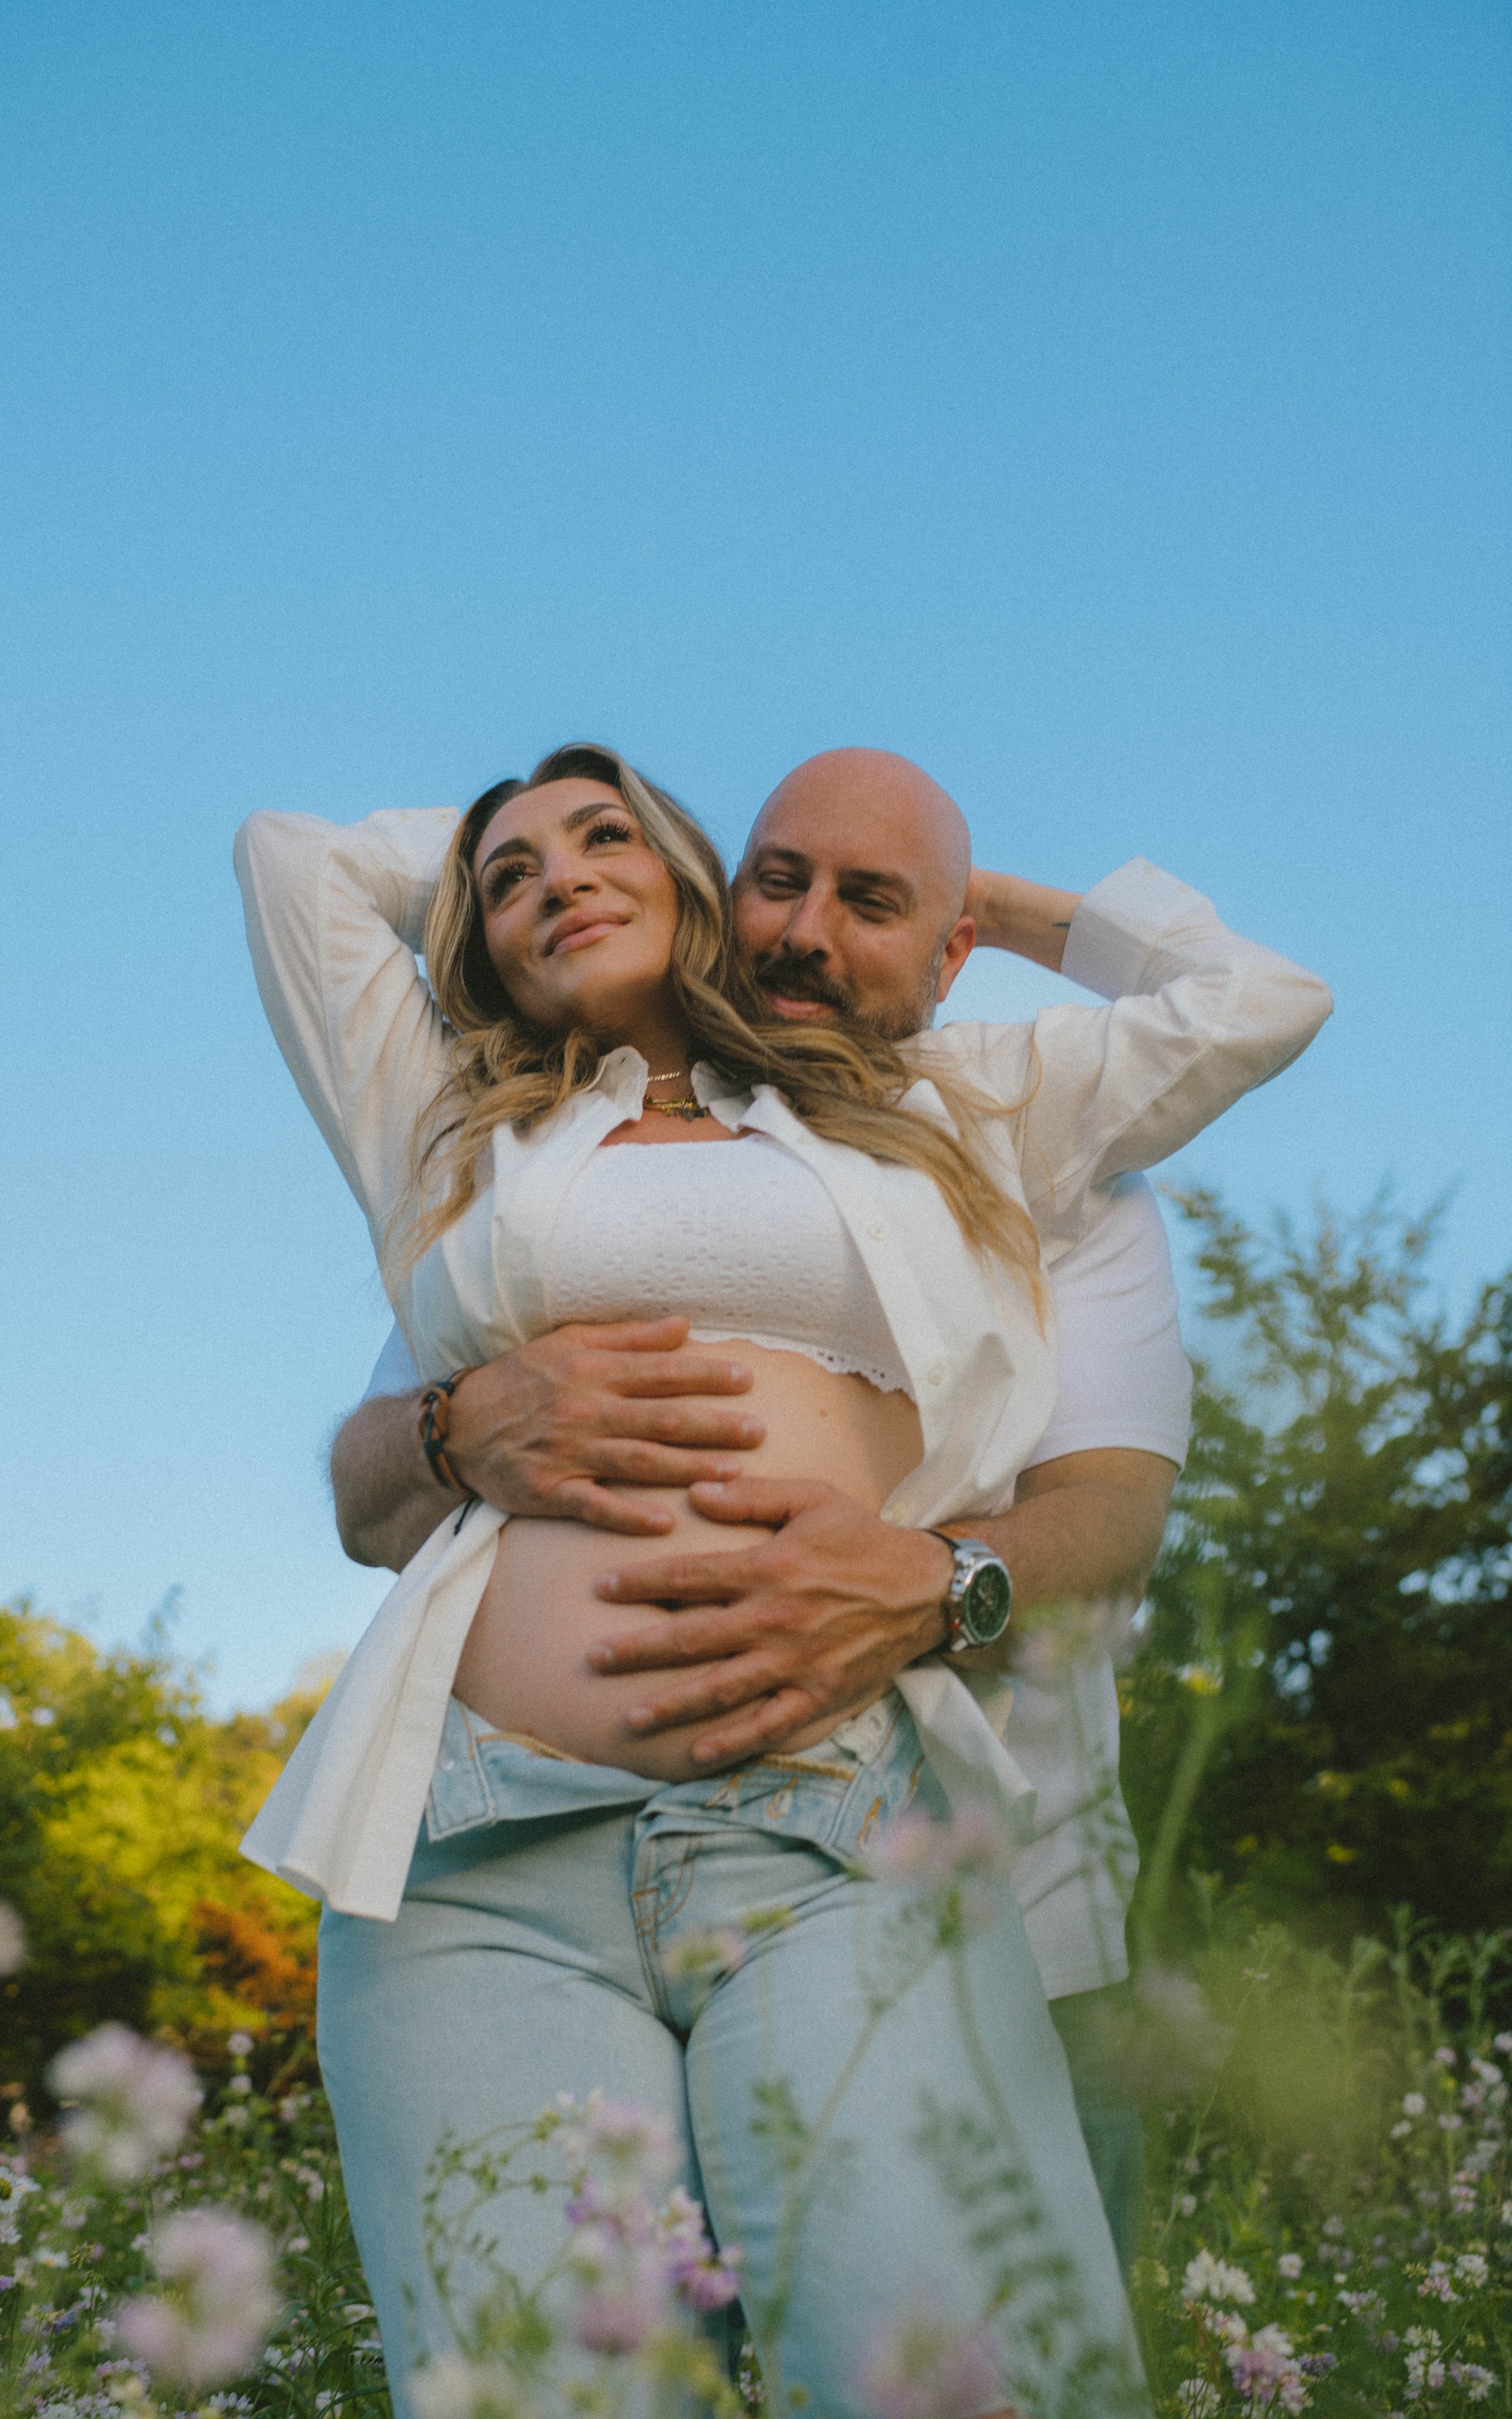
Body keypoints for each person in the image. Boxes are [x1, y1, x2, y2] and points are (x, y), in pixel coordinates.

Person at [234, 743, 1330, 2417]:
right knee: (552, 2394)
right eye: (511, 877)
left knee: (955, 2379)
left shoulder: (957, 1108)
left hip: (835, 1828)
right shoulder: (461, 1128)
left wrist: (983, 905)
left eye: (608, 842)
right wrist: (525, 852)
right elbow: (288, 859)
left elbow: (1250, 1001)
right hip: (479, 1857)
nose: (557, 881)